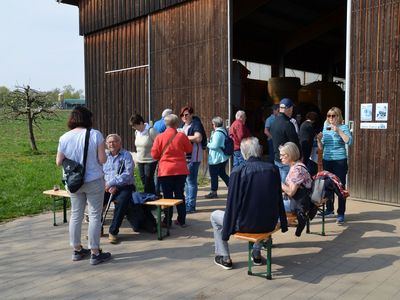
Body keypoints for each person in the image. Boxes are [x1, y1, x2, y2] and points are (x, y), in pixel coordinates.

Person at [210, 137, 288, 270]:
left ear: (243, 153)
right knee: (261, 211)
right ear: (259, 151)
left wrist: (227, 231)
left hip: (245, 224)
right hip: (269, 222)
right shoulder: (273, 169)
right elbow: (278, 199)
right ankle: (256, 254)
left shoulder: (238, 171)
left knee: (214, 216)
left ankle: (225, 257)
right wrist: (283, 222)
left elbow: (232, 204)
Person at [56, 106, 111, 265]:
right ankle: (95, 252)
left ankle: (77, 249)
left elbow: (59, 161)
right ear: (88, 119)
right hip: (93, 180)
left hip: (73, 182)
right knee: (94, 215)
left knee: (76, 214)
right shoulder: (95, 134)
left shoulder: (64, 137)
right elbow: (102, 160)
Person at [151, 114, 192, 227]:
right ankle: (181, 219)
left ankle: (167, 221)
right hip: (180, 170)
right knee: (180, 194)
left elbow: (154, 155)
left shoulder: (159, 137)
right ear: (177, 124)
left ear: (165, 124)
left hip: (165, 170)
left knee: (167, 196)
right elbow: (189, 149)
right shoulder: (181, 136)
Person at [317, 107, 352, 224]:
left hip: (340, 161)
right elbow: (322, 147)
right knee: (328, 185)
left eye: (333, 115)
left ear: (339, 116)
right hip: (327, 159)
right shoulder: (325, 128)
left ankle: (341, 213)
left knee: (340, 187)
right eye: (329, 116)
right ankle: (329, 209)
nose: (330, 118)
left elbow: (349, 141)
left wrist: (338, 131)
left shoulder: (343, 127)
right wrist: (318, 140)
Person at [103, 134, 136, 244]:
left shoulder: (126, 155)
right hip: (107, 186)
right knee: (96, 200)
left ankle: (113, 231)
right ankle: (97, 228)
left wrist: (113, 184)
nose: (111, 144)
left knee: (121, 202)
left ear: (120, 143)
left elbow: (127, 174)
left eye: (114, 141)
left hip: (125, 186)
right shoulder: (104, 156)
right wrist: (106, 185)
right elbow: (100, 172)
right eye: (109, 142)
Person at [279, 142, 317, 236]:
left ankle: (267, 236)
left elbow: (291, 192)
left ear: (290, 155)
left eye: (283, 155)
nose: (280, 158)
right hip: (302, 202)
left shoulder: (297, 170)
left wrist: (278, 182)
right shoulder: (297, 165)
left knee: (269, 207)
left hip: (298, 204)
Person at [179, 106, 206, 213]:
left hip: (193, 157)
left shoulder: (196, 124)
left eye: (186, 114)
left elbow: (198, 138)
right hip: (184, 157)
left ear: (191, 114)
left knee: (191, 181)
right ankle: (188, 204)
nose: (184, 117)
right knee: (186, 182)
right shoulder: (183, 125)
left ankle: (191, 206)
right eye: (182, 115)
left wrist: (182, 136)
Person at [270, 98, 300, 182]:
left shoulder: (274, 122)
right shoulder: (288, 124)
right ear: (289, 109)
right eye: (291, 109)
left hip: (277, 158)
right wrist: (300, 157)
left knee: (280, 183)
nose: (292, 111)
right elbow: (295, 143)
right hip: (287, 160)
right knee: (286, 186)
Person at [129, 113, 158, 194]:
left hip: (150, 160)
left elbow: (159, 143)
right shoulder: (136, 132)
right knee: (144, 180)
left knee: (148, 180)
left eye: (135, 126)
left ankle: (148, 199)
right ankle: (153, 196)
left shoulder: (151, 131)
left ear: (141, 123)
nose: (134, 128)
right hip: (140, 160)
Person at [205, 116, 230, 199]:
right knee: (222, 174)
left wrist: (207, 143)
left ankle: (213, 192)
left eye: (212, 124)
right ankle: (232, 187)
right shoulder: (223, 131)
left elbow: (215, 145)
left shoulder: (218, 133)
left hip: (216, 158)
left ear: (215, 124)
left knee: (214, 175)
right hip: (221, 157)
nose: (212, 125)